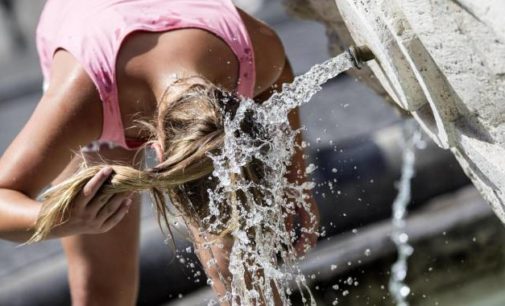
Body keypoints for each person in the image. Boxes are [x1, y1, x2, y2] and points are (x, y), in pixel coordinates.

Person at [0, 0, 319, 305]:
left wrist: (294, 180)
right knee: (103, 288)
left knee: (237, 265)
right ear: (165, 159)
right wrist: (60, 219)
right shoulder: (80, 102)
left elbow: (279, 81)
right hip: (97, 53)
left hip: (177, 33)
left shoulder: (248, 52)